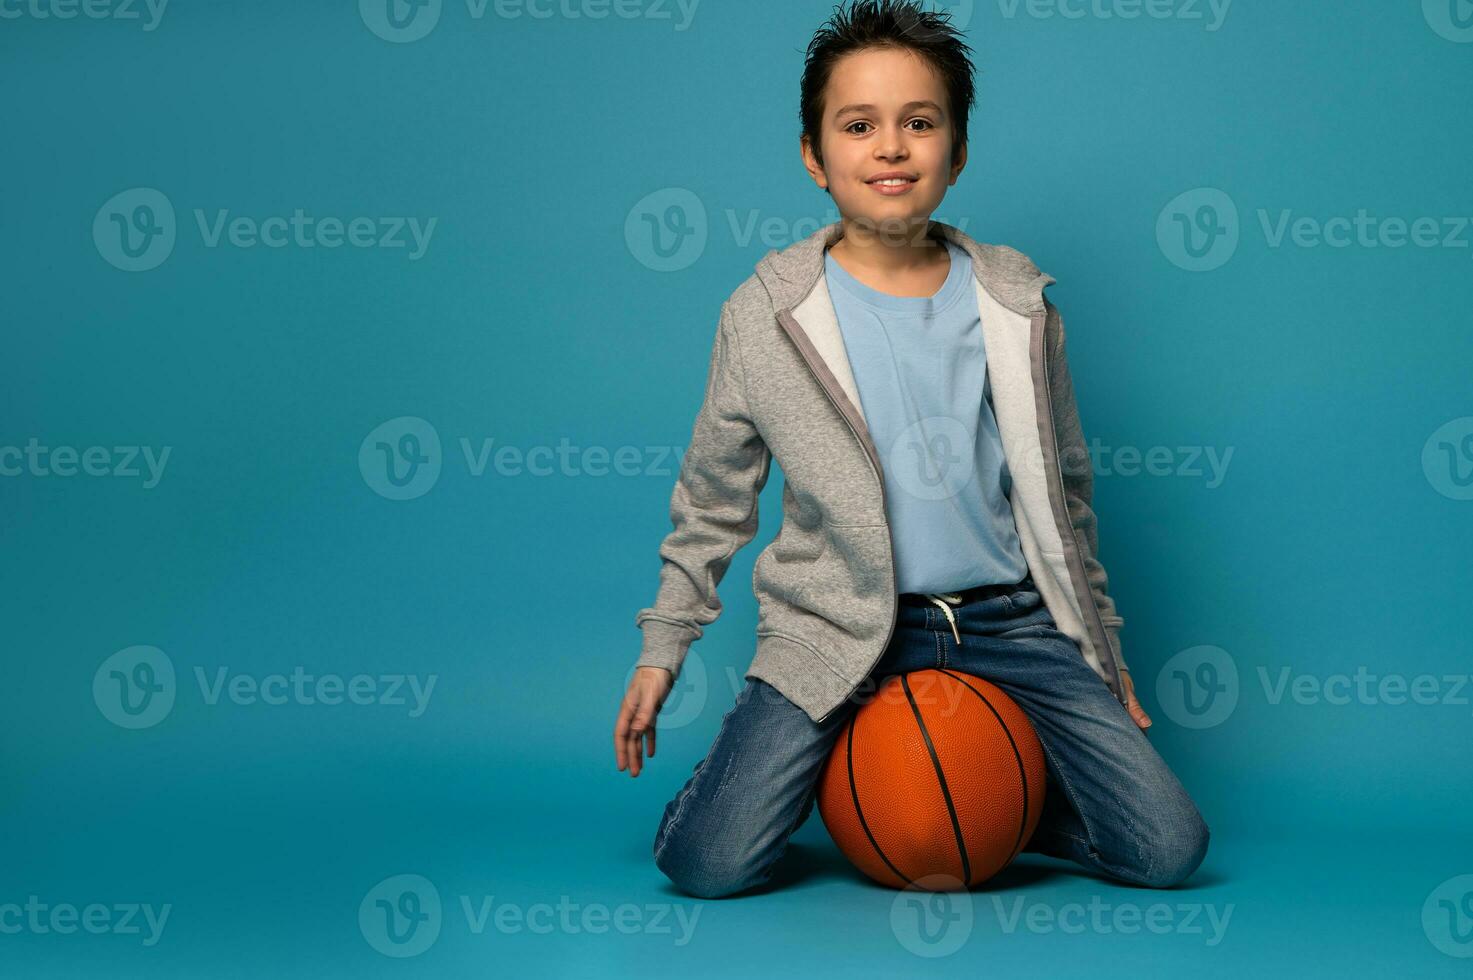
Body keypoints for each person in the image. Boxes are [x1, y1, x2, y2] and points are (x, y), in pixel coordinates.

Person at [613, 0, 1208, 899]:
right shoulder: (764, 312)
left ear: (956, 151)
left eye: (918, 123)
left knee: (1168, 850)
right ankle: (810, 786)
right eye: (859, 126)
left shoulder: (1016, 303)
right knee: (708, 866)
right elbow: (712, 498)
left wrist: (1105, 653)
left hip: (1010, 623)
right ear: (814, 156)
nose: (889, 147)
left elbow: (1065, 496)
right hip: (839, 624)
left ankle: (1006, 799)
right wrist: (663, 647)